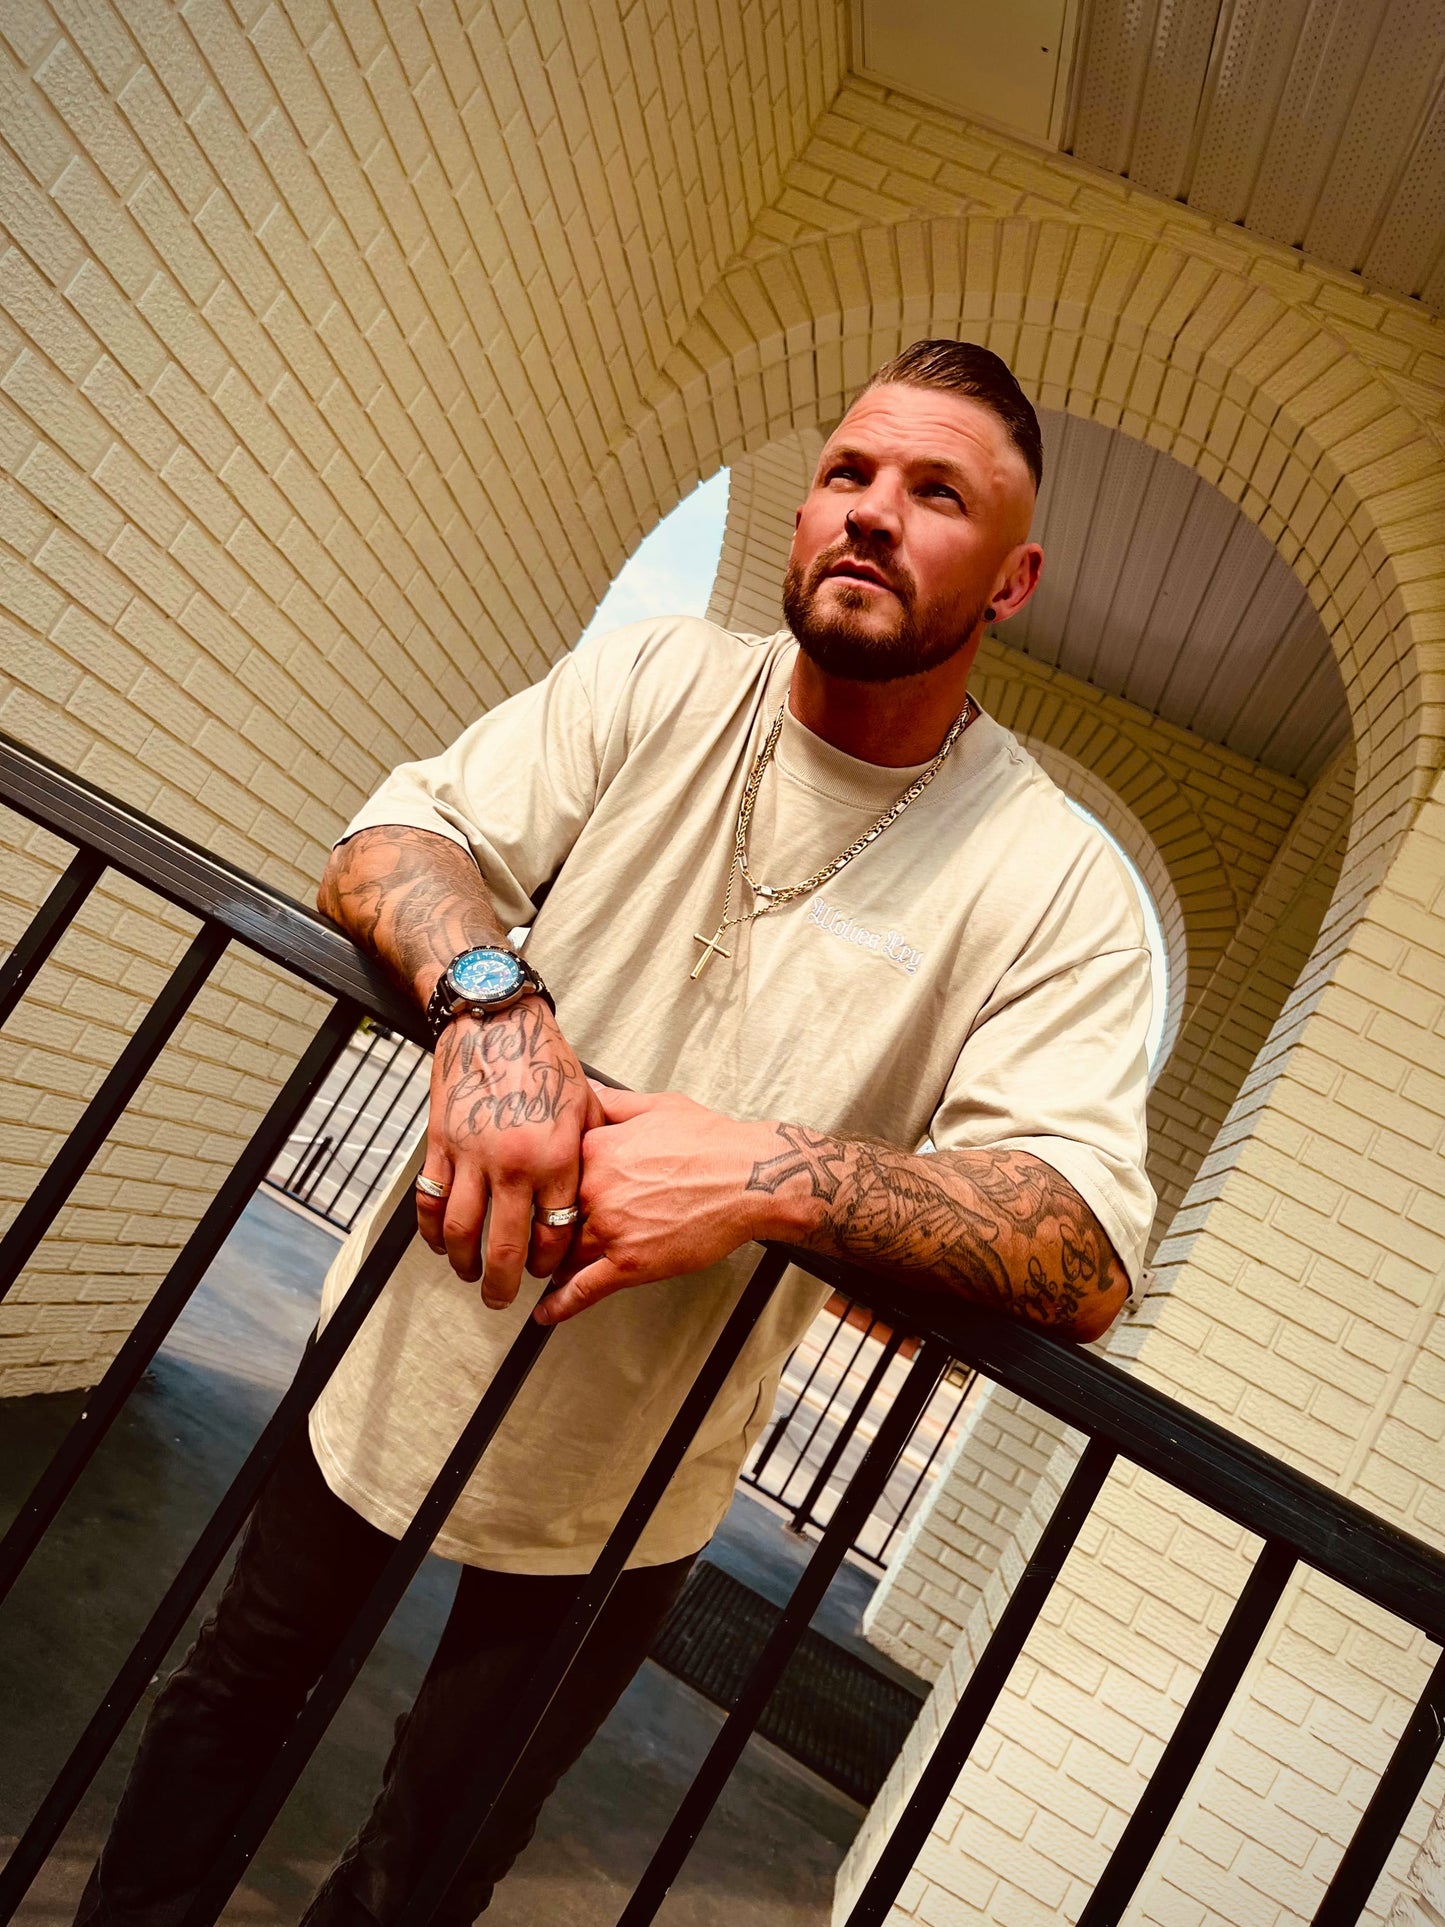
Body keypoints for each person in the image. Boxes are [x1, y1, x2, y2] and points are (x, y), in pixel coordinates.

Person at [77, 340, 1155, 1925]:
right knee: (223, 1708)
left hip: (641, 1472)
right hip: (400, 1345)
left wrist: (761, 1174)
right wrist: (491, 1003)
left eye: (937, 494)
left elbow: (1079, 1243)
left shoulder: (1049, 876)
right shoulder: (660, 680)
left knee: (429, 1859)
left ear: (1012, 580)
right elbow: (394, 840)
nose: (869, 512)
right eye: (846, 473)